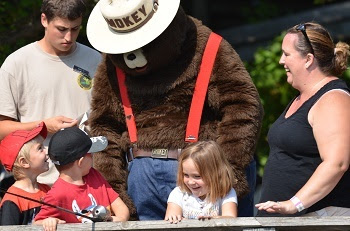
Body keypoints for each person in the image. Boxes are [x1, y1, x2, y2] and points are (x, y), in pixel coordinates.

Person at [0, 0, 102, 186]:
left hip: (90, 181)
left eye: (75, 29)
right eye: (62, 29)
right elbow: (2, 129)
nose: (69, 37)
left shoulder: (95, 59)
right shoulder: (16, 64)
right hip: (39, 183)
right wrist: (43, 126)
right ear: (44, 20)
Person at [255, 22, 350, 216]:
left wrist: (295, 204)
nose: (281, 61)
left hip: (313, 221)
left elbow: (337, 162)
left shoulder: (333, 99)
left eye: (287, 54)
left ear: (308, 59)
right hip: (282, 222)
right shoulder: (302, 97)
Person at [34, 127, 129, 230]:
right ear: (81, 161)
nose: (93, 156)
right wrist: (49, 221)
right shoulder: (55, 195)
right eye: (90, 153)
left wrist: (114, 221)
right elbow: (36, 223)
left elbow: (122, 209)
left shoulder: (94, 175)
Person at [165, 141, 238, 223]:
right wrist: (174, 219)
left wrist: (210, 221)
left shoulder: (226, 193)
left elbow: (231, 218)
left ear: (216, 174)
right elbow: (170, 219)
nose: (191, 182)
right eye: (186, 175)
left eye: (197, 176)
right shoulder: (179, 193)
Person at [0, 122, 50, 225]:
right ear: (24, 162)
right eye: (40, 148)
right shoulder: (12, 201)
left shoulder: (47, 190)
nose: (47, 151)